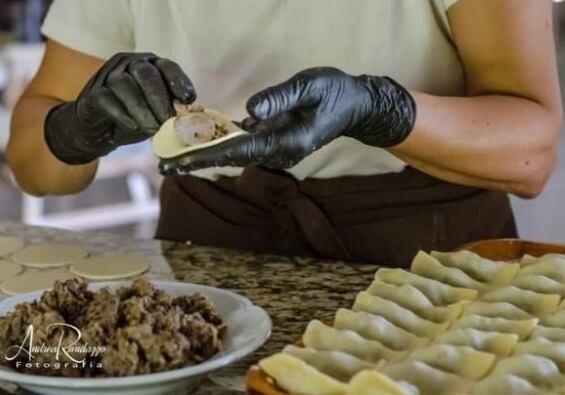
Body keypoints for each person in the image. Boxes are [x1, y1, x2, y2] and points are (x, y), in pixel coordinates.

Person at [7, 0, 562, 266]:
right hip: (209, 278)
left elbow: (532, 153)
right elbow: (31, 163)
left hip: (430, 273)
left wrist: (379, 110)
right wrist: (76, 129)